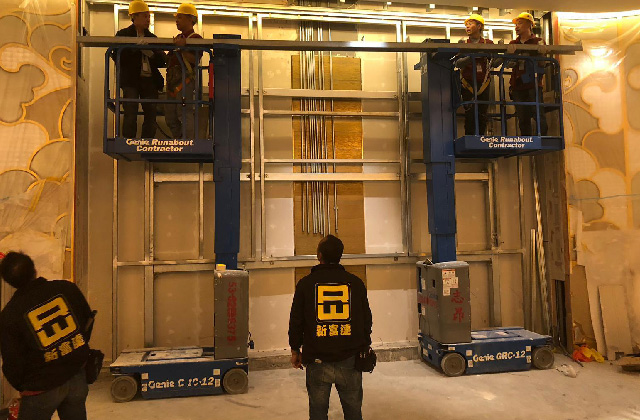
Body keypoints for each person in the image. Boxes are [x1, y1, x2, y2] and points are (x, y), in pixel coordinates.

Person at [0, 252, 93, 420]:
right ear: (34, 270)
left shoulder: (10, 314)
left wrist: (23, 385)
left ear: (8, 282)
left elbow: (12, 361)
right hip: (75, 375)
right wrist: (77, 353)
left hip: (40, 388)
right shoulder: (66, 289)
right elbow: (88, 321)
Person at [289, 235, 373, 420]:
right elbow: (367, 319)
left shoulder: (306, 284)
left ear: (319, 255)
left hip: (317, 359)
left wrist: (295, 349)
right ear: (340, 255)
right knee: (353, 412)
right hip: (350, 359)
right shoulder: (356, 283)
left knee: (318, 413)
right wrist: (364, 345)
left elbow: (296, 321)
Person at [115, 0, 166, 139]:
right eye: (144, 16)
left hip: (149, 81)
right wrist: (134, 49)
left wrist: (151, 54)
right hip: (131, 80)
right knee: (130, 112)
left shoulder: (152, 38)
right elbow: (117, 56)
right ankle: (128, 141)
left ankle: (147, 142)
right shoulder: (123, 35)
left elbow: (162, 61)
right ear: (134, 17)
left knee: (151, 113)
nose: (147, 19)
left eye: (148, 16)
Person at [164, 3, 202, 139]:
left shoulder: (195, 39)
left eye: (180, 17)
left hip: (185, 81)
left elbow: (194, 60)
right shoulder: (178, 39)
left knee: (184, 113)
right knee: (170, 116)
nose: (177, 20)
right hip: (172, 82)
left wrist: (182, 48)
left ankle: (187, 142)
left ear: (190, 19)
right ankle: (179, 140)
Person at [507, 12, 548, 136]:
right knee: (522, 117)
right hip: (518, 84)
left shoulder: (538, 42)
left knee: (538, 113)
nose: (516, 27)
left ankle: (542, 139)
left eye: (520, 23)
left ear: (530, 25)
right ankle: (526, 140)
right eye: (516, 24)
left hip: (533, 84)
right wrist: (511, 56)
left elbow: (543, 64)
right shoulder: (513, 44)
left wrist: (541, 54)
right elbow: (507, 64)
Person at [456, 14, 495, 136]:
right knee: (470, 113)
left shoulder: (488, 44)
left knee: (482, 113)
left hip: (483, 83)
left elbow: (495, 62)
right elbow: (457, 63)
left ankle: (481, 138)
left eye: (470, 24)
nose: (467, 27)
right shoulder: (463, 44)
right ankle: (470, 139)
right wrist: (472, 56)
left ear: (479, 26)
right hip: (468, 83)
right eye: (466, 25)